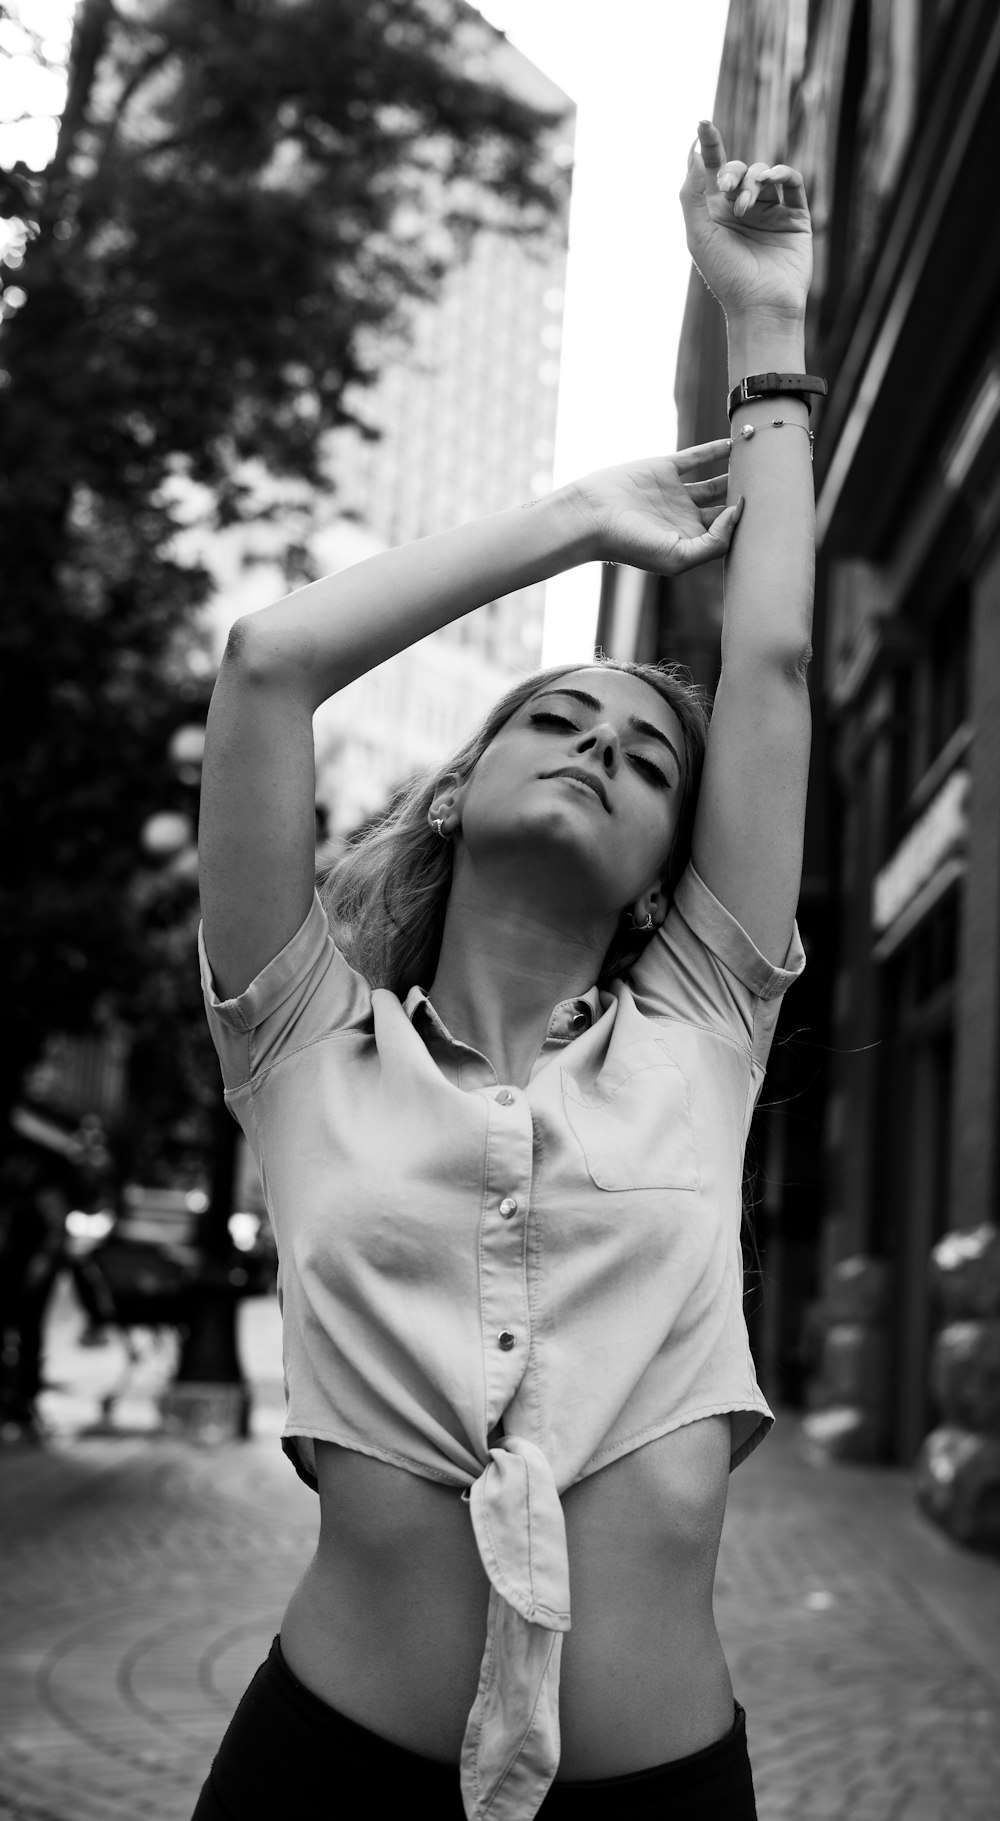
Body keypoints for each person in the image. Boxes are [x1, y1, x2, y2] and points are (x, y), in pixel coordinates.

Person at [191, 119, 816, 1821]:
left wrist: (770, 335)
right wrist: (575, 525)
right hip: (330, 1776)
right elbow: (267, 667)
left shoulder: (702, 1030)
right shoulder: (308, 1044)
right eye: (560, 713)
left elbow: (768, 662)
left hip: (661, 1790)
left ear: (664, 882)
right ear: (458, 791)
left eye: (648, 759)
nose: (605, 745)